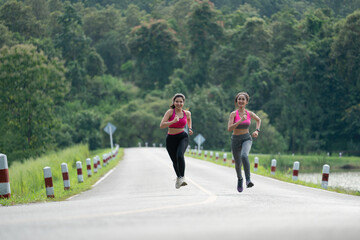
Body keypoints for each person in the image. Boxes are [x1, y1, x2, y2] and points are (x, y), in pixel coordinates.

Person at [227, 92, 261, 192]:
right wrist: (240, 121)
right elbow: (229, 128)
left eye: (243, 99)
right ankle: (240, 179)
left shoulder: (249, 114)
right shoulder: (233, 114)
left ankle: (248, 180)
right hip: (235, 140)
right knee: (238, 164)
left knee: (244, 156)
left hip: (246, 138)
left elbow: (258, 120)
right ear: (236, 101)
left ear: (246, 102)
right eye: (239, 99)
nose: (241, 101)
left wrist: (257, 131)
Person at [160, 93, 193, 189]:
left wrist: (190, 128)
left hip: (182, 137)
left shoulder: (187, 113)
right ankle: (178, 178)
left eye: (181, 102)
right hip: (171, 138)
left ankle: (182, 177)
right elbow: (162, 125)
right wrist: (172, 121)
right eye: (177, 101)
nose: (179, 103)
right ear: (173, 102)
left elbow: (189, 119)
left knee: (180, 155)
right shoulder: (170, 112)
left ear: (183, 103)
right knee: (174, 160)